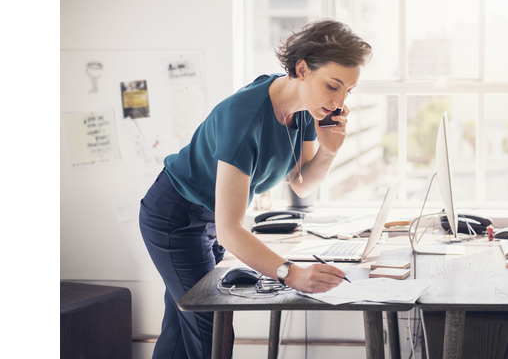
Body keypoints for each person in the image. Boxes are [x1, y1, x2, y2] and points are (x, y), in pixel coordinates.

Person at [139, 19, 372, 359]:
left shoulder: (306, 109)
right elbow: (230, 231)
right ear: (303, 69)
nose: (339, 102)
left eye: (348, 91)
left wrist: (329, 151)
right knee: (210, 331)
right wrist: (291, 274)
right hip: (176, 215)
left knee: (180, 329)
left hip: (207, 218)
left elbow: (302, 183)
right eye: (333, 85)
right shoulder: (245, 118)